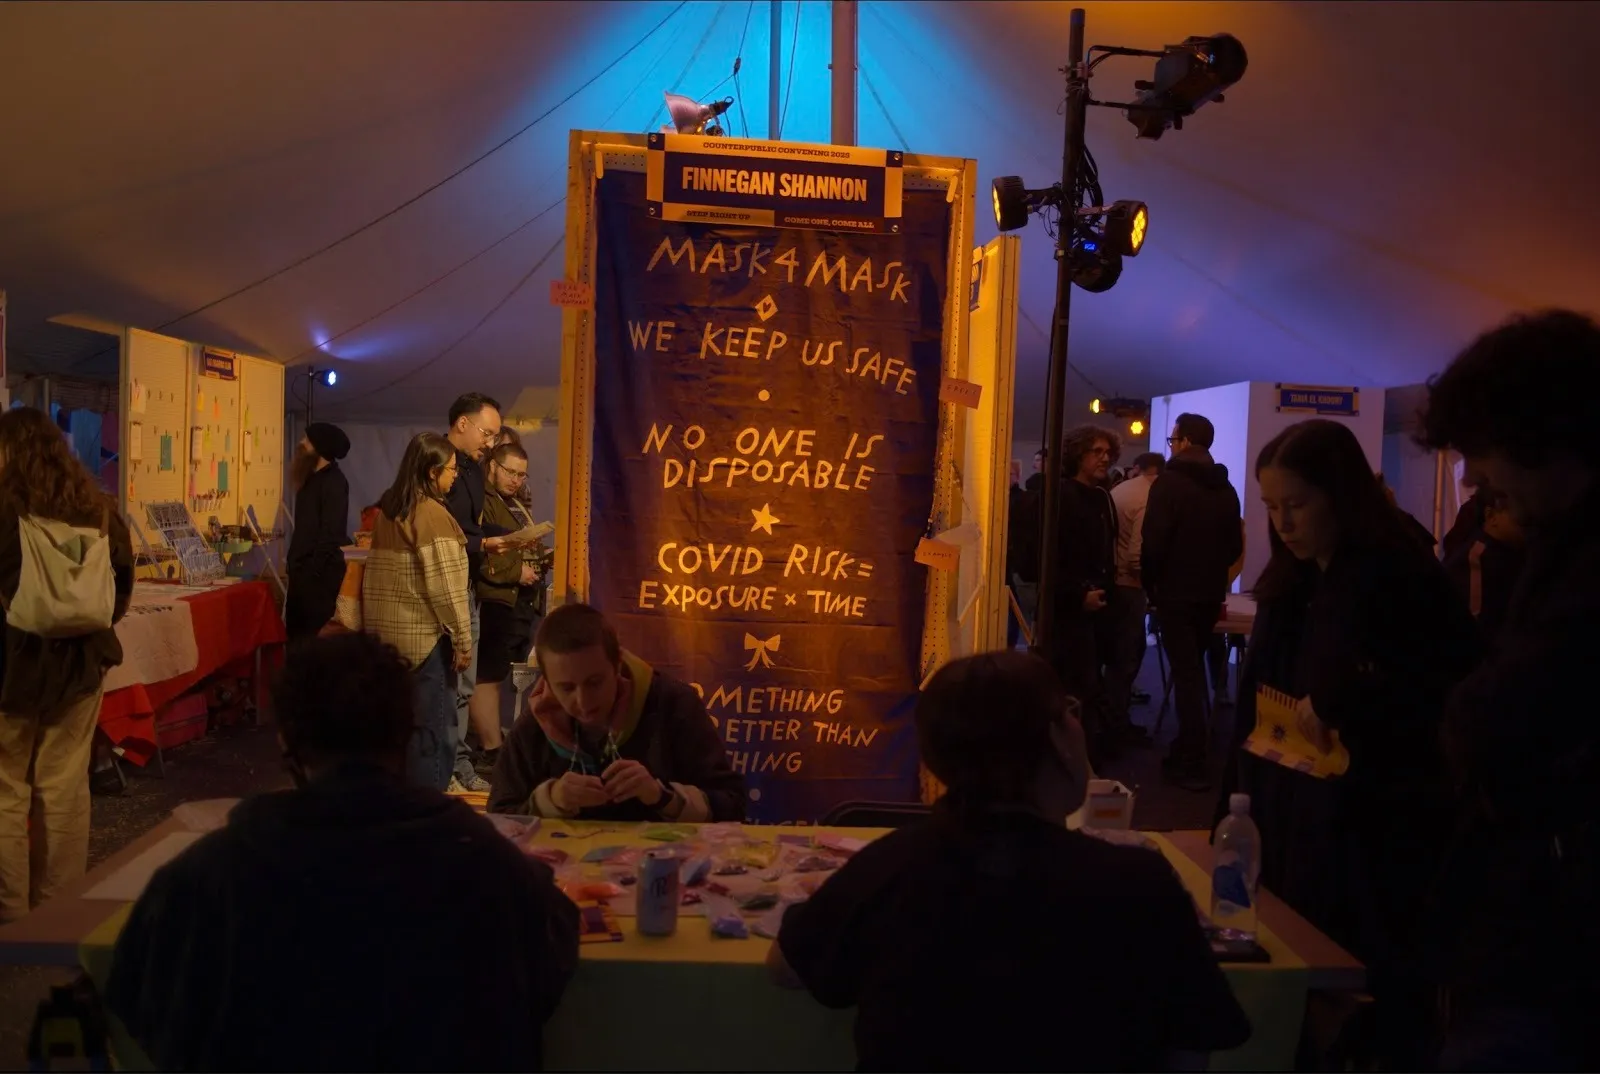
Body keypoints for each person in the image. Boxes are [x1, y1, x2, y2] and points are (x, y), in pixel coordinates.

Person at [103, 632, 579, 1071]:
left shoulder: (208, 874)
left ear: (286, 740)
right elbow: (550, 959)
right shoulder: (484, 861)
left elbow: (142, 1001)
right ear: (407, 732)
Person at [770, 650, 1251, 1071]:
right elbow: (1195, 1038)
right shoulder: (1139, 883)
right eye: (1071, 712)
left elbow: (787, 966)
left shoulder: (888, 867)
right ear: (1057, 735)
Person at [1216, 418, 1480, 1068]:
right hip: (1296, 805)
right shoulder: (1300, 578)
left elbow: (1439, 689)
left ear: (1341, 496)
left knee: (1365, 983)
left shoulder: (1394, 575)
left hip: (1374, 823)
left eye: (1297, 505)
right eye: (1273, 507)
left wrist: (1353, 702)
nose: (1283, 523)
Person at [1417, 309, 1600, 1070]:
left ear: (1536, 432)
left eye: (1479, 452)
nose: (1473, 477)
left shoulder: (1583, 560)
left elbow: (1515, 711)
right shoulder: (1565, 542)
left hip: (1557, 941)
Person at [0, 407, 135, 922]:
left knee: (6, 792)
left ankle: (11, 915)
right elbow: (120, 591)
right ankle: (57, 912)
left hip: (8, 672)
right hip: (81, 671)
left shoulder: (2, 511)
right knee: (63, 789)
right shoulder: (97, 510)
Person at [488, 603, 745, 821]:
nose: (583, 700)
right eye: (565, 687)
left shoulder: (673, 704)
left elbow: (734, 805)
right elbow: (498, 819)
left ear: (617, 666)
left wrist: (661, 795)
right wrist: (551, 800)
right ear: (546, 681)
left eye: (595, 682)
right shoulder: (536, 723)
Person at [361, 432, 473, 792]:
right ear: (431, 471)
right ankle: (430, 813)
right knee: (431, 733)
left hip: (388, 640)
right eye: (451, 469)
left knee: (397, 731)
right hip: (425, 640)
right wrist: (463, 638)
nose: (455, 475)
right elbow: (446, 588)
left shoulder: (390, 510)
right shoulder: (431, 515)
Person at [1142, 413, 1244, 791]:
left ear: (1183, 441)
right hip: (1209, 592)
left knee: (1185, 673)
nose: (1171, 446)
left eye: (1172, 440)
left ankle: (1192, 755)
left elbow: (1154, 543)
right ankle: (1192, 745)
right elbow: (1235, 544)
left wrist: (1151, 584)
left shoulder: (1168, 484)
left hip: (1175, 592)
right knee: (1194, 670)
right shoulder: (1225, 488)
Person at [1045, 424, 1127, 763]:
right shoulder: (1062, 495)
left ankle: (1087, 754)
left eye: (1108, 452)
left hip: (1101, 603)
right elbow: (1050, 557)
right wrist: (1077, 596)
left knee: (1093, 682)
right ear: (1078, 454)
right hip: (1069, 607)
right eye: (1097, 451)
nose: (1104, 458)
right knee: (1073, 685)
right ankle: (1070, 758)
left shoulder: (1102, 497)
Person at [442, 392, 508, 794]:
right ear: (461, 424)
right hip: (449, 587)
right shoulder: (438, 464)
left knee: (465, 683)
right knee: (451, 682)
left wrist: (506, 537)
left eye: (495, 436)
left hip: (469, 584)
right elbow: (445, 532)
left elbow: (469, 527)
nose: (490, 443)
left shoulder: (472, 470)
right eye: (487, 433)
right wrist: (483, 545)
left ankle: (459, 763)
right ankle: (445, 767)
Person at [470, 440, 543, 774]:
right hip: (496, 597)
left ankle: (491, 741)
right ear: (493, 466)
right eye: (511, 472)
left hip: (518, 599)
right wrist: (517, 571)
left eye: (522, 475)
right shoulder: (481, 501)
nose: (517, 480)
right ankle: (490, 747)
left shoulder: (512, 502)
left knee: (498, 674)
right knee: (487, 673)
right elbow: (479, 552)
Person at [1105, 452, 1164, 735]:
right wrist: (1153, 585)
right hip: (1128, 586)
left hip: (1114, 581)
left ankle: (1113, 720)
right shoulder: (1148, 497)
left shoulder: (1124, 488)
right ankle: (1116, 723)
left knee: (1121, 656)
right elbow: (1136, 555)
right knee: (1127, 657)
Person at [283, 422, 351, 641]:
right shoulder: (310, 480)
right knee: (296, 640)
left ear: (320, 447)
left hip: (317, 582)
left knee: (312, 644)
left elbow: (330, 534)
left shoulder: (334, 483)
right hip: (302, 576)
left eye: (308, 440)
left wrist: (312, 573)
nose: (302, 444)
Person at [1439, 488, 1527, 648]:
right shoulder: (1473, 561)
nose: (1524, 516)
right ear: (1491, 516)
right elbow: (1476, 626)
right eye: (1515, 508)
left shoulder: (1519, 553)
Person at [1006, 458, 1039, 649]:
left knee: (1021, 614)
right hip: (1008, 564)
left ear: (1017, 476)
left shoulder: (1025, 500)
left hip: (1018, 566)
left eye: (1009, 474)